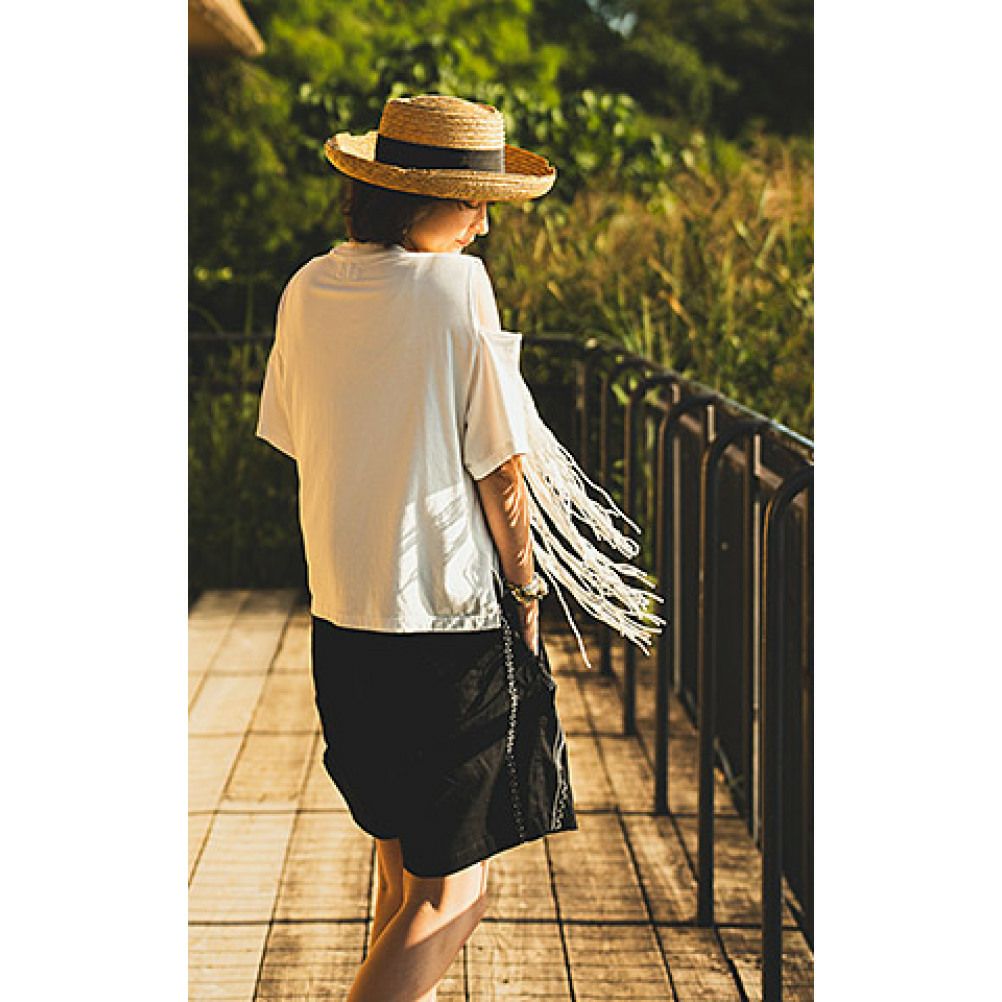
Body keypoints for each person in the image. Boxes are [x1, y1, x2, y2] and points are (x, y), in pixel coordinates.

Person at [256, 94, 661, 1002]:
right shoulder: (456, 289)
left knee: (402, 880)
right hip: (447, 628)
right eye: (473, 202)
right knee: (454, 898)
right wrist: (526, 595)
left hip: (343, 621)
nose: (483, 224)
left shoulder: (306, 288)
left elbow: (298, 435)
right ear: (415, 197)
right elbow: (502, 470)